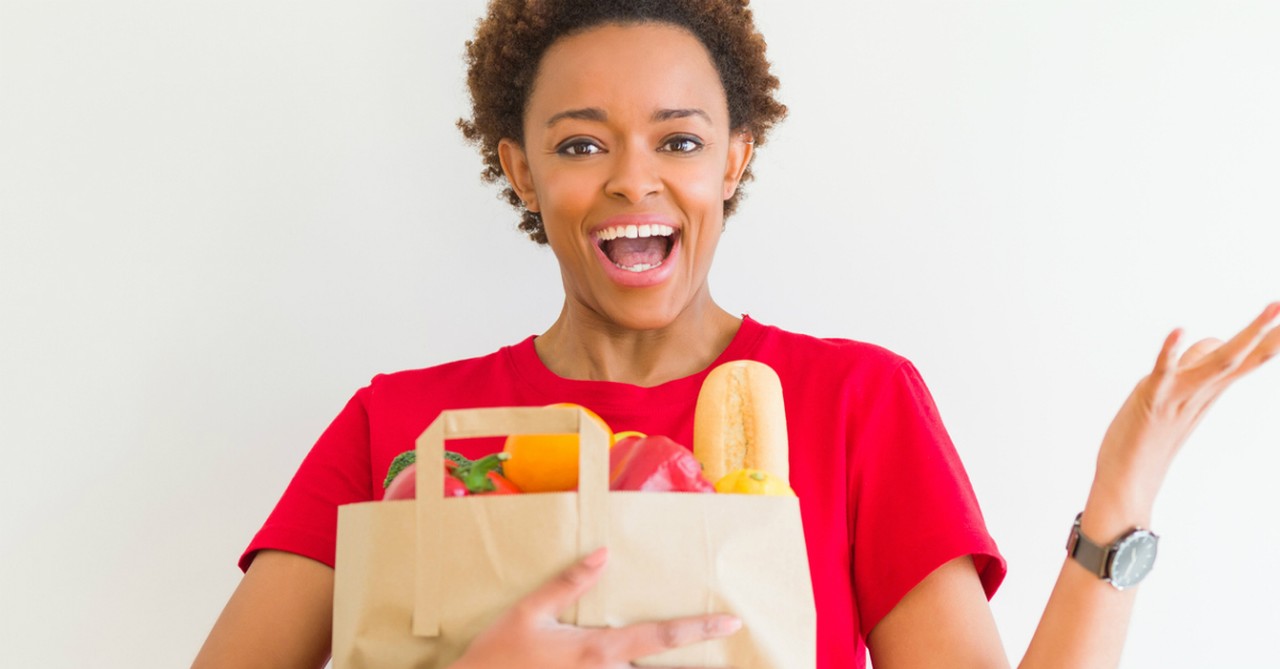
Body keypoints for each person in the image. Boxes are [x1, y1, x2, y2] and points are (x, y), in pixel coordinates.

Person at [192, 1, 1280, 667]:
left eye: (678, 137)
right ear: (517, 167)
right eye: (578, 146)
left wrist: (1118, 507)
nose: (633, 178)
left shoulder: (855, 404)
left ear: (733, 159)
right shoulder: (402, 423)